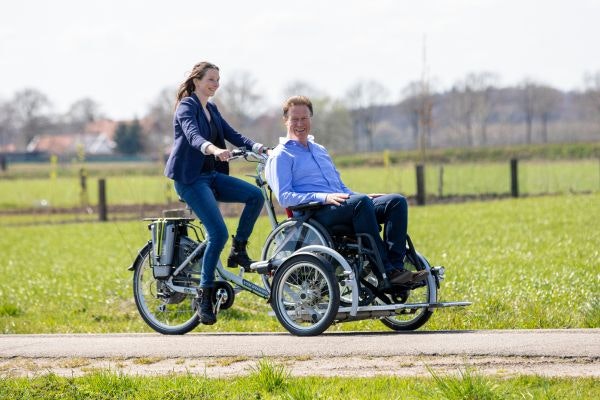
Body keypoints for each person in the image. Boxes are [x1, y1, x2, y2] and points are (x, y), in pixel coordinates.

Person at [265, 95, 428, 286]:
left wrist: (360, 195)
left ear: (311, 118)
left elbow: (339, 187)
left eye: (304, 118)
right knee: (360, 204)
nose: (300, 123)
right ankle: (386, 273)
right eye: (295, 119)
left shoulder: (319, 150)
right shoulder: (281, 155)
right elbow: (285, 197)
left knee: (395, 201)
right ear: (286, 120)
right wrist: (324, 197)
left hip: (341, 204)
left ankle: (397, 267)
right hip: (315, 214)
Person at [164, 61, 268, 325]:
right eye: (211, 79)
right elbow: (192, 136)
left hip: (211, 176)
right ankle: (205, 295)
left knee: (256, 196)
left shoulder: (210, 107)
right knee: (217, 233)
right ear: (197, 80)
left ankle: (239, 250)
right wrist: (213, 150)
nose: (215, 84)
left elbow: (231, 133)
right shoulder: (186, 106)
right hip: (190, 179)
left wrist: (257, 146)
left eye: (218, 80)